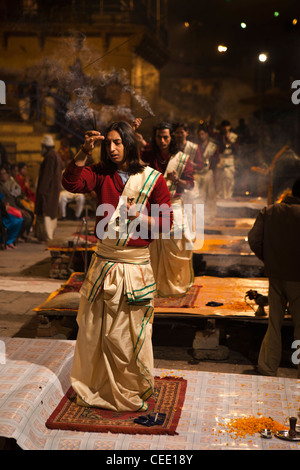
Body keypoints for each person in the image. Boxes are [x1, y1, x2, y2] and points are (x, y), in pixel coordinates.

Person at [62, 121, 173, 411]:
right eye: (106, 143)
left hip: (135, 270)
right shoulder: (100, 174)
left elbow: (167, 224)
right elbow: (71, 183)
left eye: (117, 143)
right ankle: (97, 384)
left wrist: (140, 216)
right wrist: (84, 152)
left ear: (129, 144)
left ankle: (130, 387)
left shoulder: (153, 179)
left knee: (128, 336)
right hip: (104, 266)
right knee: (94, 331)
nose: (110, 149)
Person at [248, 178, 300, 378]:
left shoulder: (268, 212)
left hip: (276, 276)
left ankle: (268, 367)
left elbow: (254, 240)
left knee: (274, 324)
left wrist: (268, 259)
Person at [142, 122, 195, 297]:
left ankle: (174, 285)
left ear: (171, 137)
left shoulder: (181, 159)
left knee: (176, 247)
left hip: (174, 206)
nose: (163, 141)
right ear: (155, 138)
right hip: (153, 208)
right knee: (153, 249)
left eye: (166, 137)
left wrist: (177, 180)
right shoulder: (148, 156)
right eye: (159, 137)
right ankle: (154, 285)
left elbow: (190, 184)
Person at [34, 134, 63, 242]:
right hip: (53, 190)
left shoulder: (50, 157)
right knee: (51, 213)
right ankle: (46, 236)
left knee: (46, 212)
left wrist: (42, 191)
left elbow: (47, 176)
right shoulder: (55, 156)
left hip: (47, 191)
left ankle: (47, 236)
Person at [196, 124, 220, 224]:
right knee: (198, 196)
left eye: (202, 134)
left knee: (210, 195)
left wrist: (210, 163)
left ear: (206, 134)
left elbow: (217, 159)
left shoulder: (213, 146)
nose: (201, 136)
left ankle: (210, 217)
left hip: (209, 173)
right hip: (197, 174)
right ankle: (199, 218)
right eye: (199, 134)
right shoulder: (196, 146)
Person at [215, 120, 239, 199]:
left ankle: (228, 196)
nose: (225, 128)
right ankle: (220, 195)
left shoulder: (234, 136)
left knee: (229, 178)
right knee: (220, 178)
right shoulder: (219, 136)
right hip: (221, 159)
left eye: (227, 126)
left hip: (230, 159)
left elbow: (236, 148)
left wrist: (229, 141)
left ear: (229, 127)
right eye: (224, 126)